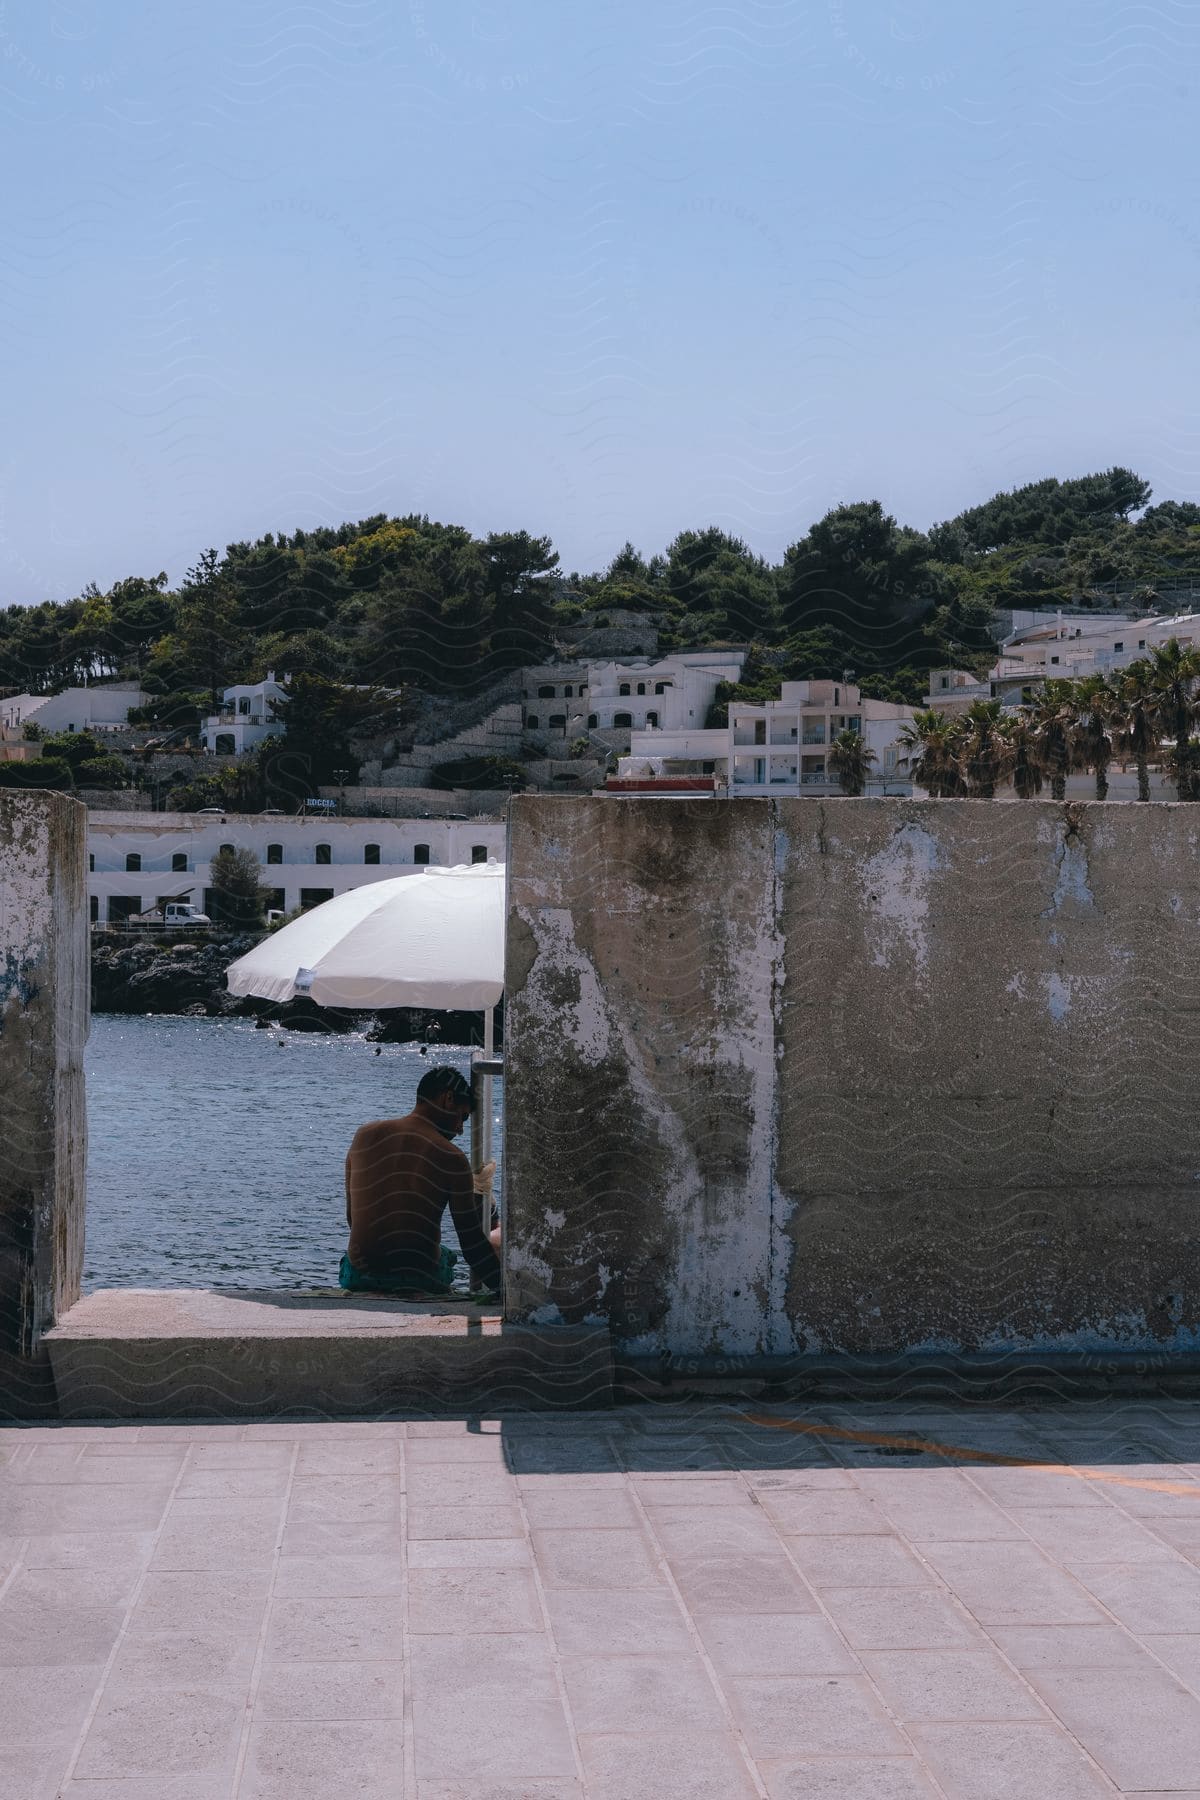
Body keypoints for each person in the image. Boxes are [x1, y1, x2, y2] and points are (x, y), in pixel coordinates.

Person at [340, 1066, 501, 1298]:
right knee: (446, 1256)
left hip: (359, 1276)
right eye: (462, 1117)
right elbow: (471, 1243)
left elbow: (352, 1219)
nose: (461, 1129)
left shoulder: (364, 1134)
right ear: (447, 1099)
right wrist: (504, 1290)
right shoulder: (452, 1158)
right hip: (419, 1277)